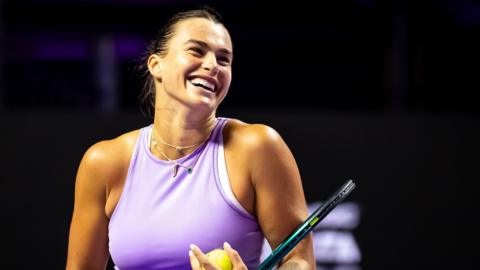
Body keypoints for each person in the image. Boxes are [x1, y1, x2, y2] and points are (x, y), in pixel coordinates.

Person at [66, 7, 315, 270]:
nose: (212, 66)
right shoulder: (103, 162)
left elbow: (298, 259)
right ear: (156, 64)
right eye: (197, 51)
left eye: (224, 59)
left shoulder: (258, 146)